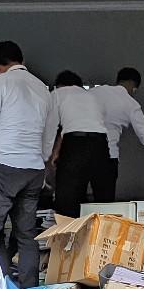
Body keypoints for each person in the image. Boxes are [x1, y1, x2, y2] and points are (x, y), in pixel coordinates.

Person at [0, 40, 58, 289]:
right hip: (33, 170)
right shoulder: (43, 88)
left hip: (4, 168)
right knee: (26, 234)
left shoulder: (0, 82)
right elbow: (49, 135)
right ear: (21, 61)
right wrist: (39, 158)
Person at [49, 70, 113, 217]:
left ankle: (69, 232)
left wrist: (46, 154)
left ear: (59, 85)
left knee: (67, 196)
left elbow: (52, 127)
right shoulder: (93, 97)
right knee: (102, 195)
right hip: (101, 144)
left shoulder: (58, 94)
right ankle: (102, 234)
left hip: (75, 145)